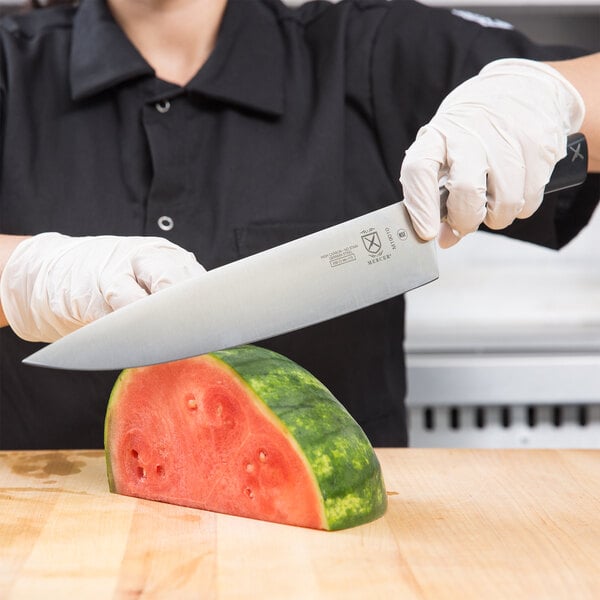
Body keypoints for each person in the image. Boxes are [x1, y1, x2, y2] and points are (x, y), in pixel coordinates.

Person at [0, 0, 598, 450]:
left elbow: (580, 100)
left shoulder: (368, 50)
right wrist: (25, 276)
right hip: (52, 524)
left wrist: (543, 96)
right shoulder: (10, 62)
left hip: (338, 558)